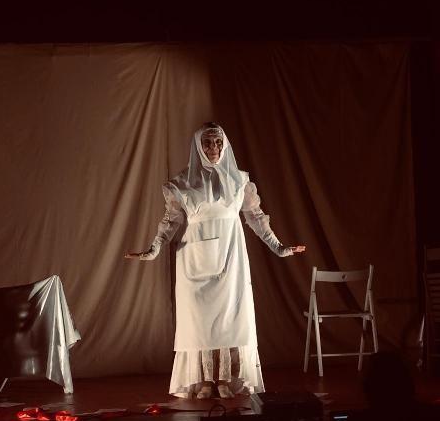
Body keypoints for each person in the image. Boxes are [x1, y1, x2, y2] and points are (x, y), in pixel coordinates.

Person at [125, 122, 306, 399]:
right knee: (200, 320)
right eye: (208, 142)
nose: (214, 148)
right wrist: (153, 249)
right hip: (195, 258)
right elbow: (171, 221)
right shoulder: (182, 183)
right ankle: (205, 380)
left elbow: (256, 217)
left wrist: (279, 247)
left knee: (229, 317)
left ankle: (225, 378)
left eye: (219, 142)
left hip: (231, 255)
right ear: (198, 146)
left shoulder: (239, 180)